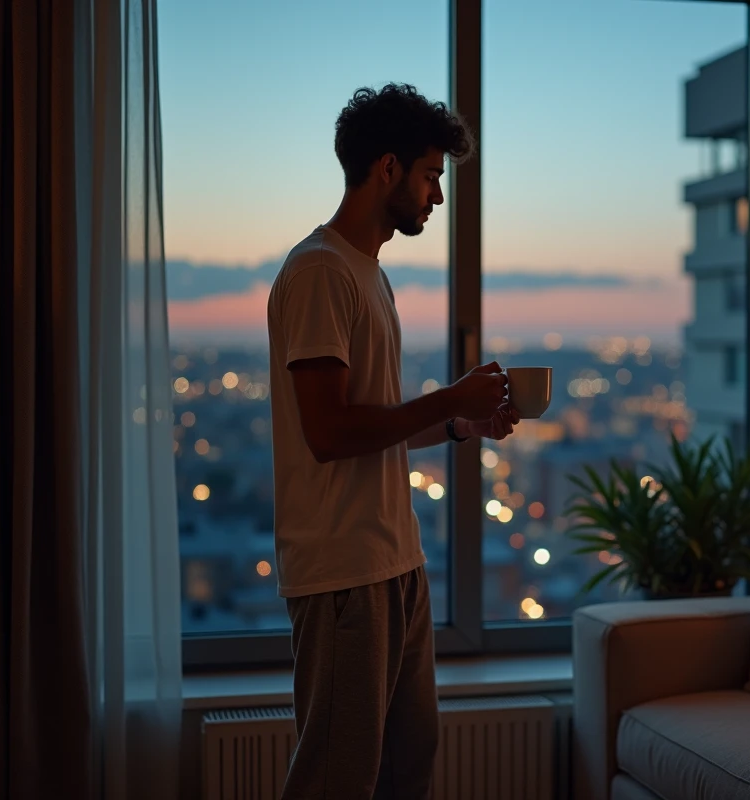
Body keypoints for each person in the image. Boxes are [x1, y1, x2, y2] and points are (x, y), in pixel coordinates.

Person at [267, 83, 518, 800]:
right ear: (387, 168)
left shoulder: (368, 275)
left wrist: (458, 425)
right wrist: (449, 397)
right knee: (337, 779)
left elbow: (374, 426)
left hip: (393, 561)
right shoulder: (319, 271)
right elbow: (328, 432)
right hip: (344, 571)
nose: (436, 195)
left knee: (407, 768)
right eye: (431, 174)